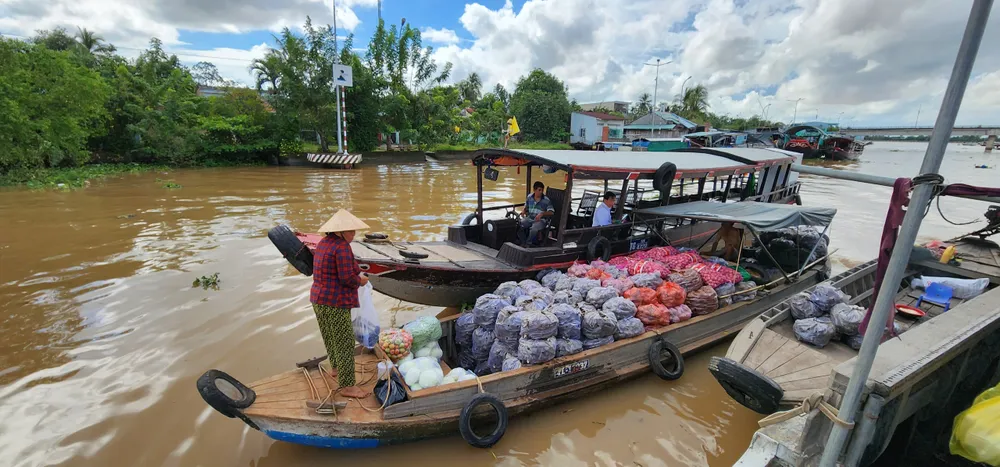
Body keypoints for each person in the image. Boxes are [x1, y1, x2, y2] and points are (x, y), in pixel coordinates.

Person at [310, 209, 371, 398]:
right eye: (350, 231)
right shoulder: (342, 247)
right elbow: (346, 278)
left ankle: (336, 368)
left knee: (330, 336)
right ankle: (348, 386)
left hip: (319, 299)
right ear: (340, 232)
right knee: (345, 342)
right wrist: (360, 281)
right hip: (336, 302)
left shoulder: (323, 243)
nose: (353, 235)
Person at [519, 181, 555, 246]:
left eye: (542, 190)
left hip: (541, 221)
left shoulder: (546, 200)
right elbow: (526, 206)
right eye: (539, 190)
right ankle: (523, 241)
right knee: (519, 224)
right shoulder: (529, 197)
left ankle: (528, 243)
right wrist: (523, 211)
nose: (541, 192)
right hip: (530, 218)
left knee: (534, 229)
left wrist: (542, 214)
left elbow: (551, 212)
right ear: (534, 190)